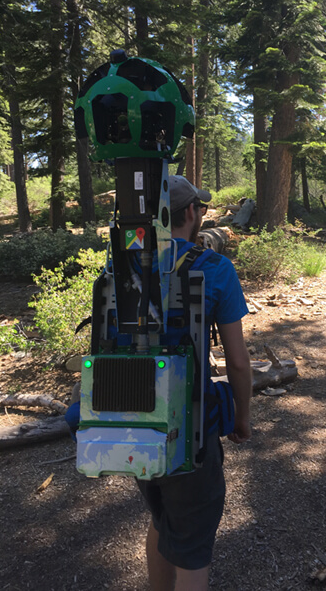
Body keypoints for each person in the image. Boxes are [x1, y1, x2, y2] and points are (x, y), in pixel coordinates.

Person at [137, 175, 252, 591]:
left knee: (163, 521)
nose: (202, 213)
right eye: (200, 207)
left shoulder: (125, 264)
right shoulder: (215, 269)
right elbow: (238, 363)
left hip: (134, 419)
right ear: (191, 213)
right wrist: (242, 419)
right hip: (191, 427)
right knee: (193, 547)